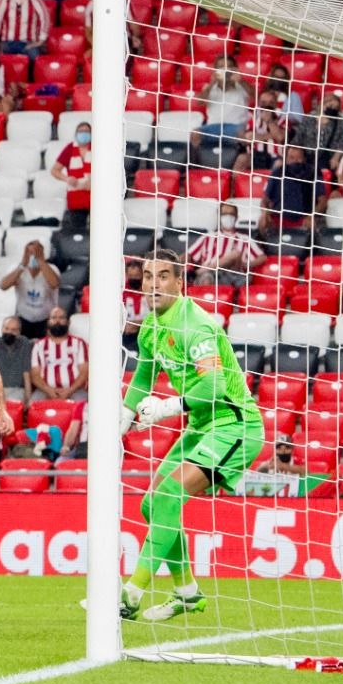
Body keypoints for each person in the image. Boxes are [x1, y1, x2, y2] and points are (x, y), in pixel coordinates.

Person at [119, 249, 264, 622]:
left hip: (235, 425)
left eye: (163, 276)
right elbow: (143, 377)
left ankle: (130, 595)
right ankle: (186, 593)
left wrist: (167, 407)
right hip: (200, 426)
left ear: (179, 282)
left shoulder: (195, 325)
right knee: (152, 505)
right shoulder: (150, 327)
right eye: (148, 276)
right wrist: (121, 420)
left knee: (168, 495)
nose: (153, 284)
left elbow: (215, 386)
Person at [186, 202, 265, 286]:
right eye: (224, 214)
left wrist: (246, 264)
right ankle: (202, 275)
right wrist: (183, 266)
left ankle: (197, 272)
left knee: (235, 254)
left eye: (231, 214)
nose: (228, 217)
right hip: (209, 274)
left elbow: (262, 257)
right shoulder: (208, 237)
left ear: (236, 217)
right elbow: (189, 254)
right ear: (219, 217)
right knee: (207, 279)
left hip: (233, 275)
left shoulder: (245, 239)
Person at [29, 305, 88, 402]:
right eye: (53, 318)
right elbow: (35, 375)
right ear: (48, 322)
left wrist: (70, 390)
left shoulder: (79, 343)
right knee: (33, 404)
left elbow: (84, 372)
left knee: (84, 406)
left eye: (61, 318)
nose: (57, 321)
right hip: (45, 391)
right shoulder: (38, 345)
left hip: (75, 390)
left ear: (68, 322)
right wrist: (49, 390)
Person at [0, 315, 32, 402]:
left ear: (19, 332)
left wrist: (28, 399)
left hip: (16, 390)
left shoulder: (24, 343)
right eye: (6, 328)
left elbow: (26, 373)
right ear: (2, 328)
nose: (9, 332)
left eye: (13, 330)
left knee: (14, 405)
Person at [50, 121, 93, 210]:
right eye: (81, 131)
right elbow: (54, 170)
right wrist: (67, 179)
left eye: (86, 131)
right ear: (76, 134)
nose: (84, 134)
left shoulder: (99, 148)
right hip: (76, 199)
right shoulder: (70, 148)